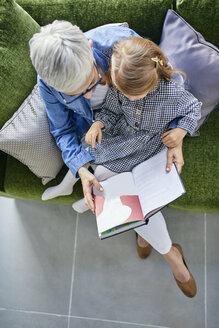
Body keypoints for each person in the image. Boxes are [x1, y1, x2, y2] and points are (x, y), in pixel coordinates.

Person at [29, 22, 196, 297]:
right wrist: (81, 169)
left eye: (91, 83)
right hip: (105, 136)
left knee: (138, 197)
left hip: (143, 132)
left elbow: (165, 81)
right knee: (120, 193)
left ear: (90, 48)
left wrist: (178, 134)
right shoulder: (48, 85)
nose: (87, 94)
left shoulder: (120, 43)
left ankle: (170, 255)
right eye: (76, 95)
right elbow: (62, 130)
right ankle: (165, 250)